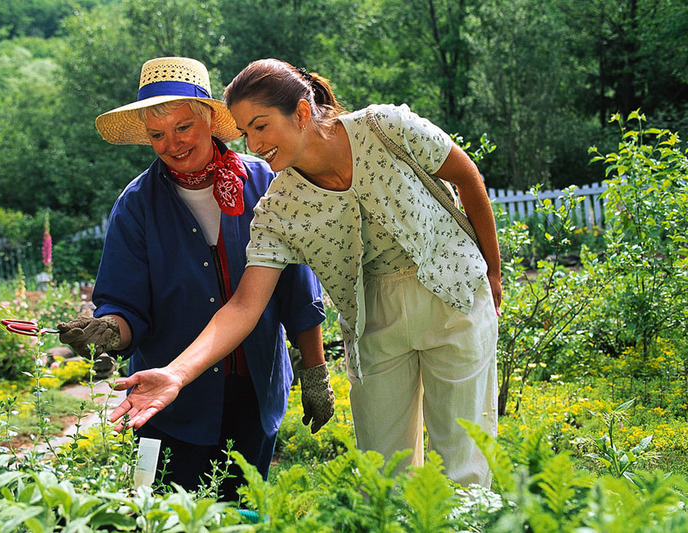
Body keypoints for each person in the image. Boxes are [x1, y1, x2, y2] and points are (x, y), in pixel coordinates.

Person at [109, 58, 501, 487]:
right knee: (385, 476)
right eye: (246, 133)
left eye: (261, 127)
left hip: (452, 290)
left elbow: (466, 175)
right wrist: (175, 374)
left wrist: (493, 273)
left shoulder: (383, 127)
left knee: (465, 461)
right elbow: (244, 305)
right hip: (374, 313)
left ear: (299, 111)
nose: (253, 145)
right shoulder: (279, 205)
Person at [56, 57, 332, 500]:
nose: (172, 144)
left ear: (208, 118)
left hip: (254, 389)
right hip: (164, 404)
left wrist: (315, 373)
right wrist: (107, 332)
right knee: (164, 513)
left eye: (183, 127)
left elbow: (299, 291)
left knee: (243, 513)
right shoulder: (137, 205)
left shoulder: (265, 182)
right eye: (157, 135)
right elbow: (125, 306)